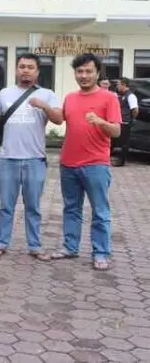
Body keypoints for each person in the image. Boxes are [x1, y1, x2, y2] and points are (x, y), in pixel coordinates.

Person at [0, 53, 63, 261]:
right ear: (16, 69)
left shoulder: (47, 94)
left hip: (35, 159)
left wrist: (44, 106)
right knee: (6, 206)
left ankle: (34, 246)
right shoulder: (4, 93)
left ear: (37, 71)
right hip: (8, 158)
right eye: (22, 66)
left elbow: (59, 119)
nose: (25, 70)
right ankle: (2, 243)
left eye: (30, 67)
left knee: (33, 207)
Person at [54, 53, 121, 271]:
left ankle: (101, 252)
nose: (84, 75)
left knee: (100, 211)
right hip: (68, 163)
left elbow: (116, 131)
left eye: (88, 71)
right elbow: (61, 120)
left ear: (97, 73)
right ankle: (70, 247)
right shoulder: (70, 98)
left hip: (96, 164)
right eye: (80, 71)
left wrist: (100, 121)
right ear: (75, 73)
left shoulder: (109, 98)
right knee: (71, 208)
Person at [111, 77, 138, 167]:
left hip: (126, 122)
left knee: (124, 143)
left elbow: (135, 110)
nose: (117, 86)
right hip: (119, 121)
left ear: (124, 85)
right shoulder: (120, 95)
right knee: (113, 140)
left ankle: (121, 161)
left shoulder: (130, 96)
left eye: (118, 84)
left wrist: (130, 119)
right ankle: (108, 157)